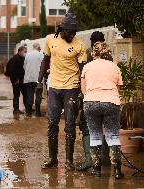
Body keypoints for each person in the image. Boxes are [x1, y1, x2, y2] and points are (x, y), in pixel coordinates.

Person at [38, 9, 87, 171]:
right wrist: (39, 81)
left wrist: (82, 90)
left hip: (71, 88)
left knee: (70, 124)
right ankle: (52, 158)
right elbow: (45, 60)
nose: (72, 35)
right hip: (54, 87)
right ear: (62, 29)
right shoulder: (50, 39)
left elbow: (83, 69)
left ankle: (68, 160)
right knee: (52, 122)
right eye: (70, 32)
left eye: (74, 32)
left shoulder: (79, 45)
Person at [81, 42, 124, 179]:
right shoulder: (114, 66)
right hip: (111, 102)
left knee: (94, 135)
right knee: (113, 136)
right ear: (108, 53)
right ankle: (117, 171)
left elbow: (84, 89)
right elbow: (118, 88)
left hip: (91, 102)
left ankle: (96, 170)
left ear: (94, 53)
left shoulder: (87, 67)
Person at [76, 31, 105, 171]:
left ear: (92, 41)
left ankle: (90, 159)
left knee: (87, 127)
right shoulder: (108, 53)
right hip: (106, 96)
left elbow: (82, 74)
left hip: (90, 96)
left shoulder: (88, 53)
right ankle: (102, 158)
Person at [23, 43, 44, 116]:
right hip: (39, 78)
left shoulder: (27, 55)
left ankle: (29, 112)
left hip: (28, 78)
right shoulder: (41, 55)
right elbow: (43, 66)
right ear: (38, 47)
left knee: (29, 95)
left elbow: (24, 66)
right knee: (38, 95)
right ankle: (38, 112)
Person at [5, 46, 28, 114]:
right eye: (24, 52)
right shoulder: (15, 59)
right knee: (16, 95)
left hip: (22, 80)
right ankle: (16, 109)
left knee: (25, 94)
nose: (25, 53)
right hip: (16, 81)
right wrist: (16, 79)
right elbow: (11, 70)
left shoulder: (22, 58)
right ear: (20, 51)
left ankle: (27, 108)